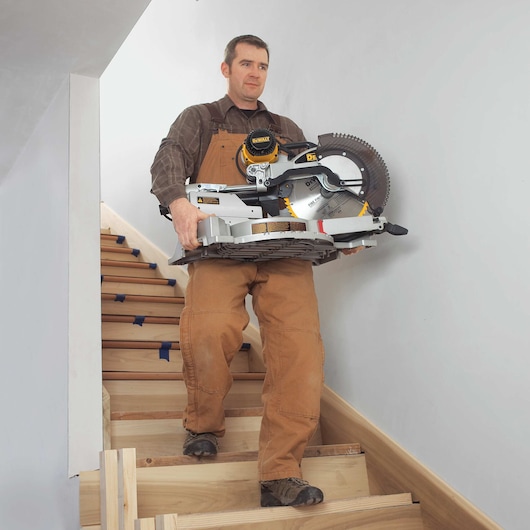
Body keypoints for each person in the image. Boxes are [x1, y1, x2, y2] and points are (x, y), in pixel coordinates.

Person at [151, 35, 359, 507]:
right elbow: (168, 160)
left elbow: (312, 187)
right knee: (209, 332)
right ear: (226, 69)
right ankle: (202, 424)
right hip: (221, 250)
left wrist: (342, 230)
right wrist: (179, 203)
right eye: (245, 63)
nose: (254, 72)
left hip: (286, 252)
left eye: (262, 66)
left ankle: (280, 473)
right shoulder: (200, 118)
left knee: (300, 354)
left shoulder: (287, 128)